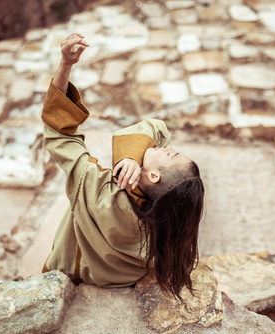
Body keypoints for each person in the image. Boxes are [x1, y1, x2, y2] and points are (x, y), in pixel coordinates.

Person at [41, 33, 205, 300]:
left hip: (72, 269)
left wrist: (65, 65)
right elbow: (157, 131)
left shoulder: (98, 190)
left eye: (171, 155)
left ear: (153, 175)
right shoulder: (167, 216)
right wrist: (130, 158)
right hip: (118, 279)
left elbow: (60, 133)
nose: (169, 147)